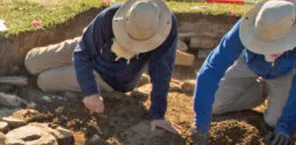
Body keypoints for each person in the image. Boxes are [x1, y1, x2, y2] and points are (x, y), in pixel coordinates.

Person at [24, 0, 181, 134]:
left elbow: (162, 71)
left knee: (43, 81)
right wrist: (90, 92)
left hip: (110, 77)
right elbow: (82, 52)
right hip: (93, 48)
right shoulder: (112, 15)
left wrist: (157, 115)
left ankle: (73, 73)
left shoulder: (167, 28)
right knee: (31, 62)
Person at [191, 0, 296, 145]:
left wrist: (285, 128)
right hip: (250, 63)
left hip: (286, 71)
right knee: (214, 105)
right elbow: (211, 68)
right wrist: (200, 123)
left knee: (274, 121)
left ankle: (277, 99)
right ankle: (260, 91)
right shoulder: (259, 18)